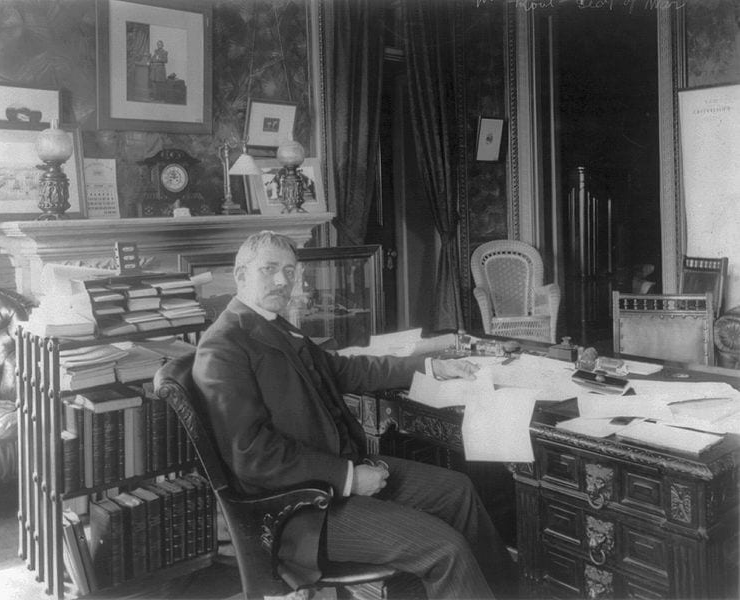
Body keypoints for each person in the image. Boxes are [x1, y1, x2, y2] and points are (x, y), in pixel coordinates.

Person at [192, 231, 518, 599]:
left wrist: (432, 366)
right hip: (300, 512)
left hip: (334, 477)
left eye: (290, 270)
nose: (283, 280)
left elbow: (345, 369)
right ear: (241, 275)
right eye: (269, 269)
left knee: (458, 491)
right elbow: (253, 456)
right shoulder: (223, 346)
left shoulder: (273, 324)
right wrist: (348, 477)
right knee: (446, 548)